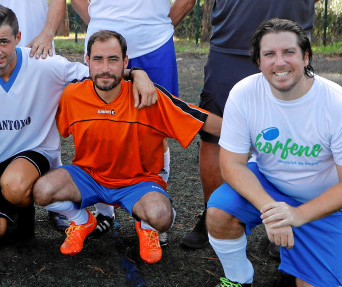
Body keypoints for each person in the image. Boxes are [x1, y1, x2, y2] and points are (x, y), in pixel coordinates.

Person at [186, 0, 341, 251]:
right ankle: (213, 215)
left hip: (287, 55)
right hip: (230, 49)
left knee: (293, 138)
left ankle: (286, 219)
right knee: (214, 135)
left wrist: (288, 21)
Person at [68, 0, 211, 242]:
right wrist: (104, 30)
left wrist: (158, 26)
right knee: (99, 122)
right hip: (103, 55)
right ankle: (99, 212)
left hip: (154, 49)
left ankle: (151, 215)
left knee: (155, 128)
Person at [0, 5, 156, 251]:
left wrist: (137, 73)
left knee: (15, 184)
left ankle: (32, 208)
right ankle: (14, 210)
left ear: (18, 38)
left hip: (34, 155)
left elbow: (99, 73)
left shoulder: (43, 65)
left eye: (3, 42)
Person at [33, 30, 222, 264]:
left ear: (125, 62)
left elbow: (200, 119)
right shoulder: (72, 95)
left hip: (138, 182)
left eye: (113, 59)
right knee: (41, 191)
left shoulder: (146, 95)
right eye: (98, 59)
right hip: (89, 176)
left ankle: (148, 228)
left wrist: (251, 132)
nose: (105, 67)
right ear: (87, 61)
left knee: (161, 216)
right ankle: (82, 221)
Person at [206, 18, 342, 287]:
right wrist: (272, 211)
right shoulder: (244, 94)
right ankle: (238, 279)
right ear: (259, 61)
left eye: (288, 52)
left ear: (306, 57)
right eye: (269, 54)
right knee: (218, 213)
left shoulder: (338, 104)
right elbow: (232, 165)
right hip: (269, 183)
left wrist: (296, 215)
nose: (279, 62)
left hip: (320, 203)